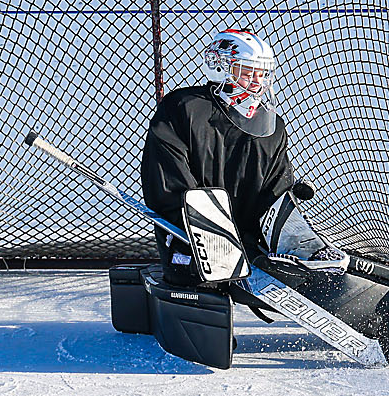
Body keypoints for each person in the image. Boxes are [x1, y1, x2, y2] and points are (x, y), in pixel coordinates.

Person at [140, 28, 342, 286]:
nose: (257, 82)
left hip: (251, 245)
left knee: (308, 265)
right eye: (247, 72)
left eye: (262, 74)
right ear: (220, 67)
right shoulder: (184, 109)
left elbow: (275, 188)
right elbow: (169, 183)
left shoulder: (272, 128)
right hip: (193, 243)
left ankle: (299, 260)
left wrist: (287, 235)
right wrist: (211, 235)